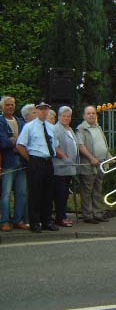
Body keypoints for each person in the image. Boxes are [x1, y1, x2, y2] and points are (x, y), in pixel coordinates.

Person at [16, 100, 59, 233]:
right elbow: (20, 145)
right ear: (36, 110)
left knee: (48, 192)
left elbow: (55, 144)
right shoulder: (29, 127)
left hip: (48, 161)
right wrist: (31, 159)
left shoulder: (51, 127)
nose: (44, 111)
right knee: (35, 193)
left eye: (46, 109)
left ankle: (47, 221)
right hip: (36, 160)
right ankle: (35, 222)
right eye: (41, 109)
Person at [76, 106, 111, 224]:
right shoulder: (81, 129)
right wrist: (91, 158)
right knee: (87, 191)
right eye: (89, 113)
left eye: (93, 113)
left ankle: (97, 213)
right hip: (88, 164)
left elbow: (102, 144)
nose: (91, 115)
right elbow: (80, 145)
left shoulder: (98, 127)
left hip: (101, 163)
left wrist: (108, 155)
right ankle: (88, 215)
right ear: (84, 116)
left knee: (98, 189)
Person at [0, 96, 28, 231]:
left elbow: (26, 140)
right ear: (2, 107)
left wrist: (14, 141)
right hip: (8, 161)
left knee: (22, 192)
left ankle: (18, 220)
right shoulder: (0, 121)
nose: (10, 107)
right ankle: (5, 221)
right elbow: (3, 142)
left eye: (12, 104)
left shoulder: (20, 121)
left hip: (21, 160)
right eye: (7, 105)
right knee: (6, 193)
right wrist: (17, 144)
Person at [52, 106, 79, 227]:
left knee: (65, 194)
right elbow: (55, 147)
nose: (66, 118)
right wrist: (65, 158)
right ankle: (60, 218)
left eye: (69, 116)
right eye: (64, 116)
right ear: (59, 117)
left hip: (69, 168)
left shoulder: (69, 129)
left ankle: (63, 216)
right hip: (60, 168)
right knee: (60, 194)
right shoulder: (56, 129)